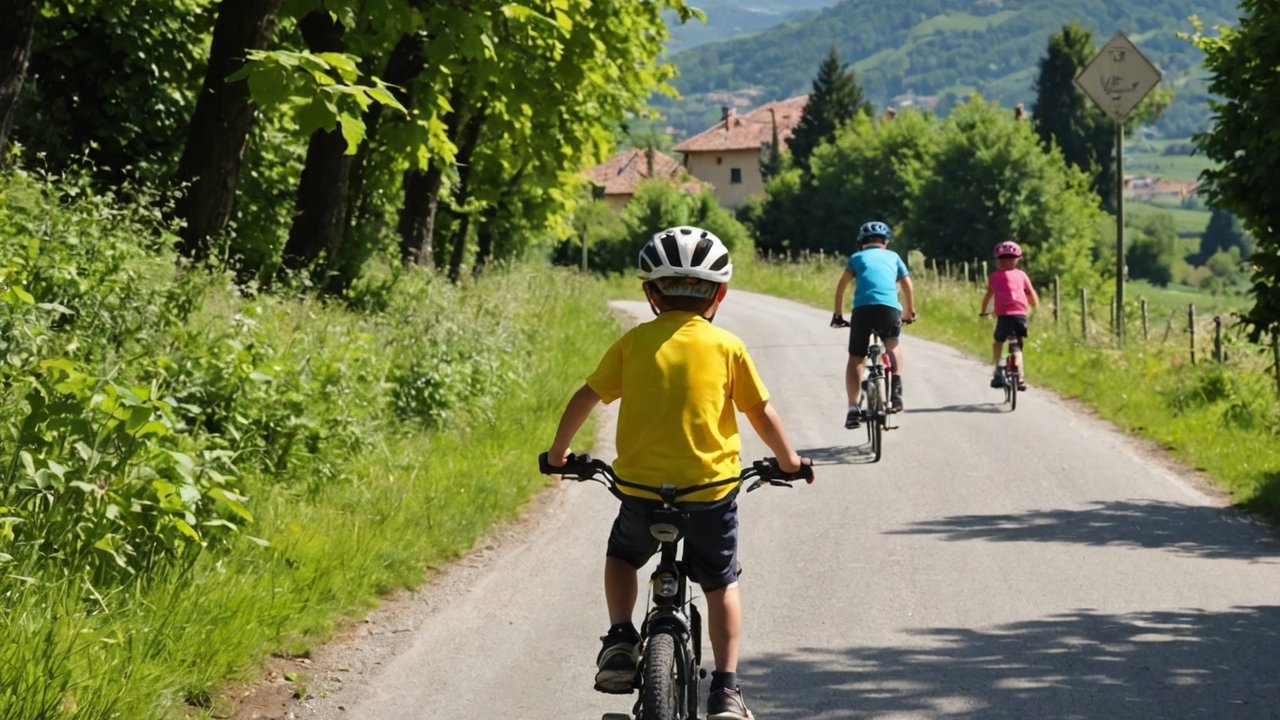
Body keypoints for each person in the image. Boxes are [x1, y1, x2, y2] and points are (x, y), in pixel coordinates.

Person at [542, 225, 812, 720]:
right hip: (710, 490)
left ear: (649, 292)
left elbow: (586, 397)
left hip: (641, 491)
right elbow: (761, 413)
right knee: (720, 581)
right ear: (721, 293)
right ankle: (726, 690)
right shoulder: (728, 346)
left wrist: (560, 455)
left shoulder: (633, 343)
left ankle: (622, 638)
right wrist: (790, 464)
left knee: (623, 555)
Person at [830, 220, 916, 428]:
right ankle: (896, 391)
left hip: (863, 310)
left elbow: (842, 286)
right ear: (885, 242)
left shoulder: (856, 258)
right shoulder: (893, 256)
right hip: (889, 309)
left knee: (856, 358)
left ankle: (852, 409)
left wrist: (838, 315)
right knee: (892, 345)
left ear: (861, 242)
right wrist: (909, 312)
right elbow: (907, 285)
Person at [979, 240, 1039, 390]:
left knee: (998, 341)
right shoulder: (1022, 275)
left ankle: (998, 369)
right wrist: (1034, 307)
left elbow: (988, 296)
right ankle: (1019, 377)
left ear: (997, 261)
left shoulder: (993, 277)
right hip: (1020, 316)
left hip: (1004, 316)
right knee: (1017, 347)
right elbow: (1031, 294)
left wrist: (983, 311)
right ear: (1017, 260)